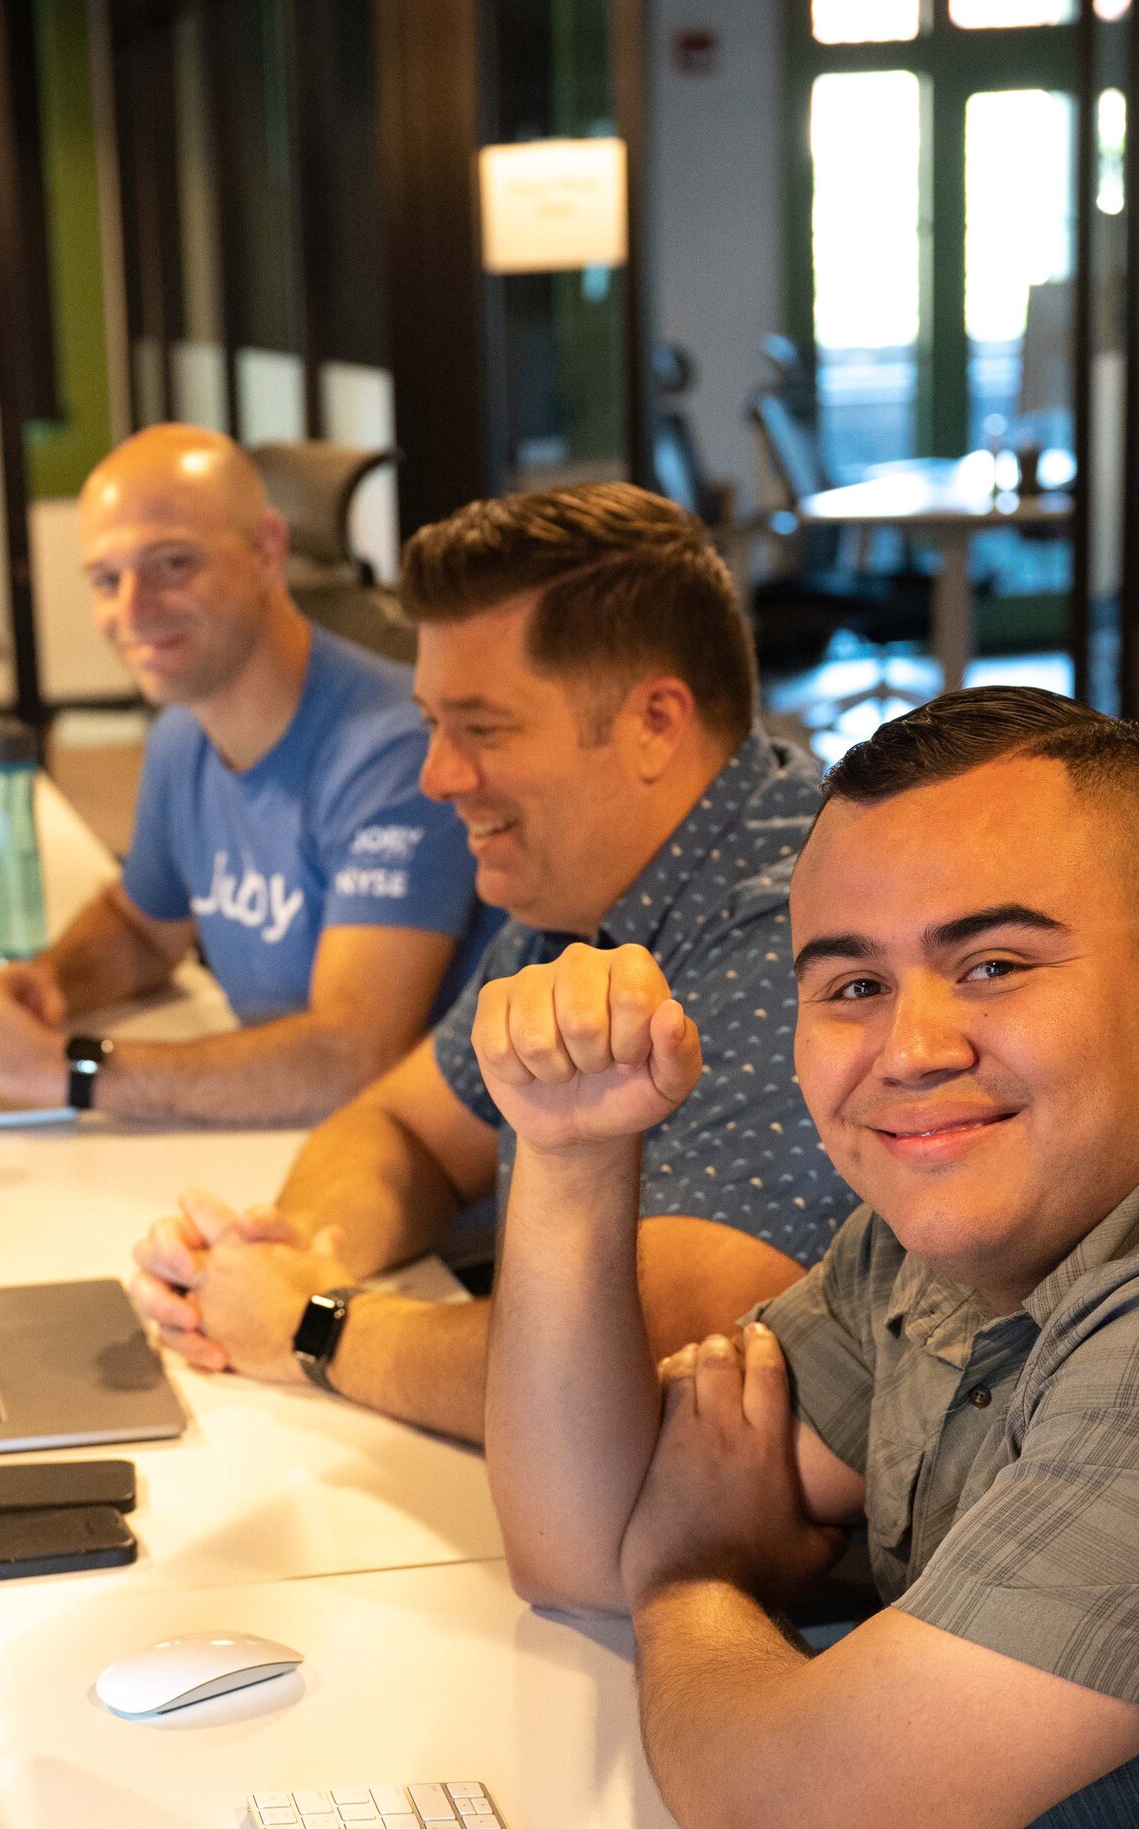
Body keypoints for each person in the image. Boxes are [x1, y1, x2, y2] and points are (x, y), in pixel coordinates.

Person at [479, 688, 1139, 1829]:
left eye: (993, 964)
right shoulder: (962, 1199)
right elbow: (569, 1538)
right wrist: (572, 1151)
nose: (910, 1048)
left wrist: (689, 1583)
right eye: (852, 985)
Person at [129, 483, 860, 1442]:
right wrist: (293, 1253)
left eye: (481, 728)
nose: (438, 777)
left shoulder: (797, 926)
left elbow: (654, 1363)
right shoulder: (584, 883)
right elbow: (408, 1129)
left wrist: (315, 1325)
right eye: (433, 724)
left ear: (654, 722)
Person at [0, 424, 497, 1126]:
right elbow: (142, 929)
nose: (132, 608)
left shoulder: (394, 753)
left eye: (172, 564)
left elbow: (350, 1057)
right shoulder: (184, 734)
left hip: (410, 1193)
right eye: (107, 580)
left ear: (266, 551)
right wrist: (46, 984)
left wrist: (67, 1067)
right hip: (267, 1145)